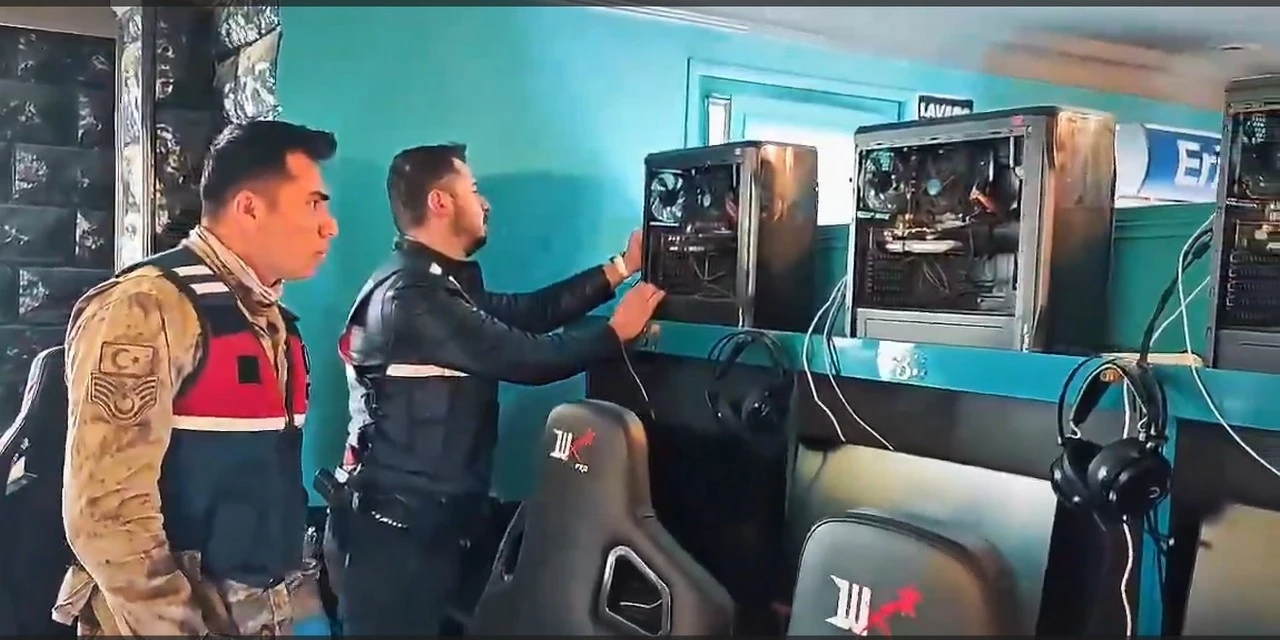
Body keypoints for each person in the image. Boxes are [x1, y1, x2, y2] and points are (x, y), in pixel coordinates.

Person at [329, 143, 665, 634]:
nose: (484, 204)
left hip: (427, 531)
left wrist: (621, 267)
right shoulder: (411, 297)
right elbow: (527, 356)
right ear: (440, 202)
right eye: (473, 190)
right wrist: (614, 333)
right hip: (394, 545)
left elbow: (527, 314)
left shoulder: (434, 286)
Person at [52, 120, 339, 636]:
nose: (329, 226)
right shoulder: (145, 308)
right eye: (313, 204)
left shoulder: (272, 322)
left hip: (263, 608)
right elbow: (106, 516)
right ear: (249, 207)